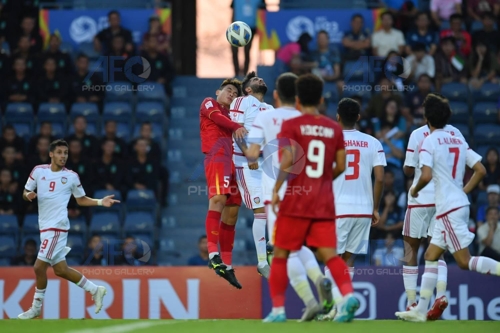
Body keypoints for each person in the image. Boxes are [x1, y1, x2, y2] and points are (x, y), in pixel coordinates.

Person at [395, 93, 499, 323]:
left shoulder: (427, 140)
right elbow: (480, 169)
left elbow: (424, 174)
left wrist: (414, 190)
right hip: (449, 206)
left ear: (427, 117)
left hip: (446, 208)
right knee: (431, 255)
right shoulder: (457, 137)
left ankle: (419, 304)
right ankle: (421, 309)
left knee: (463, 261)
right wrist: (463, 191)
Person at [263, 74, 358, 323]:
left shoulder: (292, 126)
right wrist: (324, 179)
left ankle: (278, 311)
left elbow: (288, 160)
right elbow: (341, 165)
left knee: (281, 254)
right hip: (323, 201)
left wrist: (277, 188)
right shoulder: (334, 127)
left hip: (295, 201)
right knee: (331, 256)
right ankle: (348, 297)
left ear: (297, 100)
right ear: (320, 99)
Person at [246, 73, 333, 321]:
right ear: (297, 95)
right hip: (304, 189)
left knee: (284, 249)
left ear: (275, 95)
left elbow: (252, 154)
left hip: (275, 189)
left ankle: (295, 305)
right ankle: (319, 279)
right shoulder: (303, 118)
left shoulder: (264, 116)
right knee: (298, 245)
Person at [18, 139, 120, 319]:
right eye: (59, 152)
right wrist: (29, 196)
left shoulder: (71, 176)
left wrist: (99, 202)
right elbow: (25, 193)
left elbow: (80, 199)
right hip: (45, 227)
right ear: (51, 154)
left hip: (58, 227)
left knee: (38, 267)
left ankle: (35, 307)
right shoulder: (38, 171)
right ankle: (95, 289)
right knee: (60, 270)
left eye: (65, 153)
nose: (63, 156)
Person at [318, 98, 386, 321]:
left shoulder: (329, 141)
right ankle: (342, 304)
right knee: (348, 260)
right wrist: (375, 208)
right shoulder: (373, 142)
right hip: (364, 210)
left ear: (337, 116)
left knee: (331, 258)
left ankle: (339, 305)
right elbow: (380, 178)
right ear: (358, 117)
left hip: (338, 208)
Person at [401, 105, 467, 318]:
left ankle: (412, 302)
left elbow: (409, 169)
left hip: (420, 198)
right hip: (443, 200)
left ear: (426, 116)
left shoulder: (419, 134)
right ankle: (440, 294)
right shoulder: (456, 134)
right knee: (437, 249)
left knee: (411, 248)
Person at [200, 79, 247, 289]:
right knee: (218, 200)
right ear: (218, 91)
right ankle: (212, 254)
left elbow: (242, 140)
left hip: (233, 161)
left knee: (233, 212)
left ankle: (226, 264)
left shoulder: (232, 116)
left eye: (235, 94)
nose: (231, 94)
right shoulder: (209, 103)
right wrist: (237, 125)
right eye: (229, 90)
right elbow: (218, 119)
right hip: (217, 156)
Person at [229, 71, 273, 277]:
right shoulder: (242, 101)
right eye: (256, 80)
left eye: (261, 79)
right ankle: (262, 261)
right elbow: (236, 129)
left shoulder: (270, 108)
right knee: (260, 209)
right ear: (248, 88)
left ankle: (272, 251)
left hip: (268, 164)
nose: (261, 80)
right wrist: (250, 156)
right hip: (247, 162)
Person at [230, 0, 266, 76]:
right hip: (237, 27)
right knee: (234, 50)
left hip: (251, 27)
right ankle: (236, 73)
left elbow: (263, 11)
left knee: (247, 50)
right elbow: (233, 11)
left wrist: (260, 28)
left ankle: (244, 73)